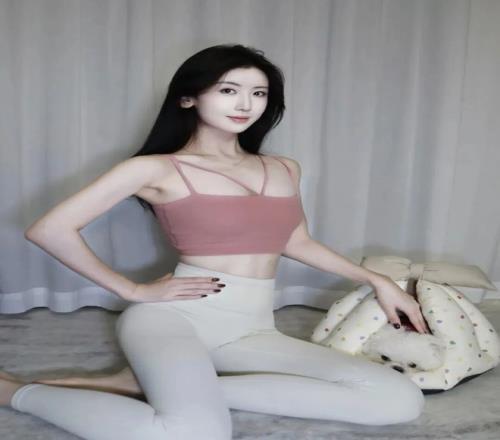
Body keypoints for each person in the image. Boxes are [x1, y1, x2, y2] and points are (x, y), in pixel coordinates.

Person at [0, 44, 429, 439]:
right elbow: (49, 229)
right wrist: (132, 290)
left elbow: (296, 241)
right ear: (189, 98)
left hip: (250, 329)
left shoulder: (284, 168)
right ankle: (13, 392)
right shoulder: (156, 168)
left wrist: (377, 281)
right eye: (228, 90)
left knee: (399, 400)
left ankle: (159, 386)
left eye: (258, 94)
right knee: (194, 433)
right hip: (174, 319)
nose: (245, 104)